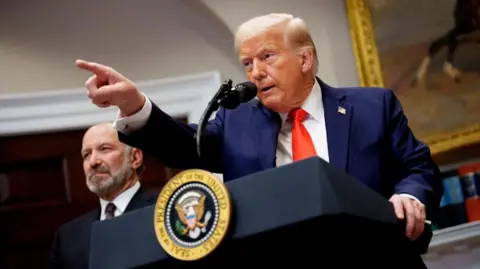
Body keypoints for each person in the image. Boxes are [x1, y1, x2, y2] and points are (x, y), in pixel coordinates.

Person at [75, 13, 443, 243]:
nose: (255, 72)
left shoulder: (371, 106)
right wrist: (133, 104)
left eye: (267, 56)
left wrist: (410, 196)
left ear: (305, 58)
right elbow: (186, 147)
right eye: (247, 63)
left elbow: (419, 167)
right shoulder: (237, 121)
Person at [49, 123, 158, 269]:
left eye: (105, 149)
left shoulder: (165, 213)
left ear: (135, 158)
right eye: (86, 155)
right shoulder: (67, 237)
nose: (93, 161)